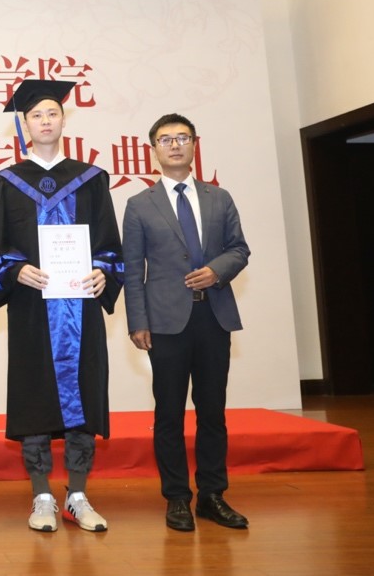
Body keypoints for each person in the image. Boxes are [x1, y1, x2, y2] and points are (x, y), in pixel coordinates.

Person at [0, 80, 122, 533]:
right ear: (24, 125)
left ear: (64, 120)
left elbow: (109, 243)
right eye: (36, 115)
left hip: (80, 305)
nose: (44, 121)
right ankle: (42, 494)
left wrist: (103, 271)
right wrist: (15, 270)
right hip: (31, 307)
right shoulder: (7, 182)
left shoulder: (92, 178)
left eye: (52, 113)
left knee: (85, 392)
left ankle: (78, 493)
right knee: (34, 395)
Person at [122, 113, 251, 532]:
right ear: (154, 150)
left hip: (213, 315)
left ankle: (213, 495)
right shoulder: (139, 205)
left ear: (194, 144)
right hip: (164, 322)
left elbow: (239, 249)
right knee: (169, 413)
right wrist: (137, 321)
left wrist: (216, 271)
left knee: (212, 411)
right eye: (166, 139)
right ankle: (177, 496)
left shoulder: (219, 198)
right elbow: (132, 269)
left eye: (182, 138)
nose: (174, 145)